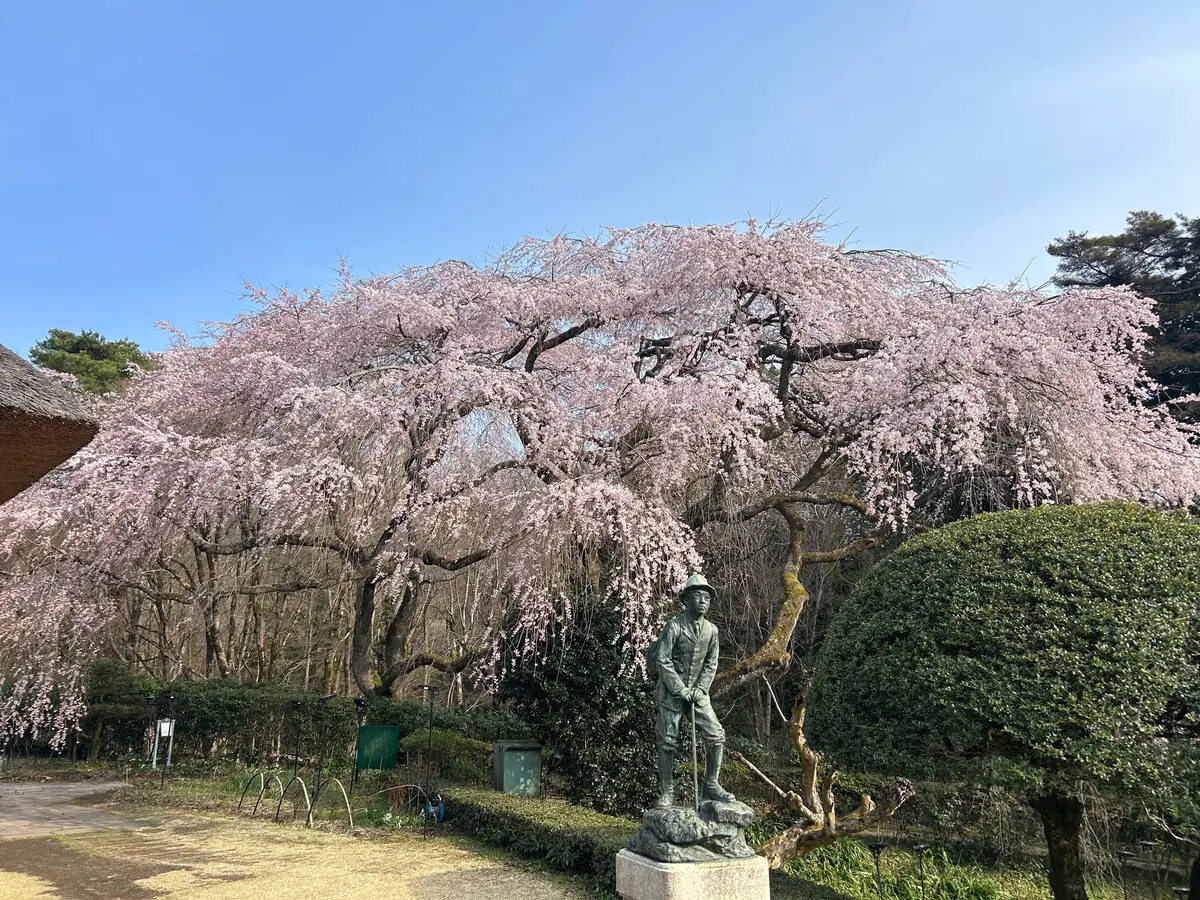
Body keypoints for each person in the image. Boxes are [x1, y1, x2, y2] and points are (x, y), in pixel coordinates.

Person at [652, 572, 736, 809]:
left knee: (716, 735)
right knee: (668, 741)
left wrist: (700, 689)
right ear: (686, 599)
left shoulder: (712, 631)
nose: (702, 601)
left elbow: (711, 663)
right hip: (672, 693)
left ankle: (711, 783)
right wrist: (680, 689)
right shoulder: (674, 626)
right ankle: (667, 791)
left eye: (707, 598)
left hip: (698, 694)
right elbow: (663, 660)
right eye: (698, 596)